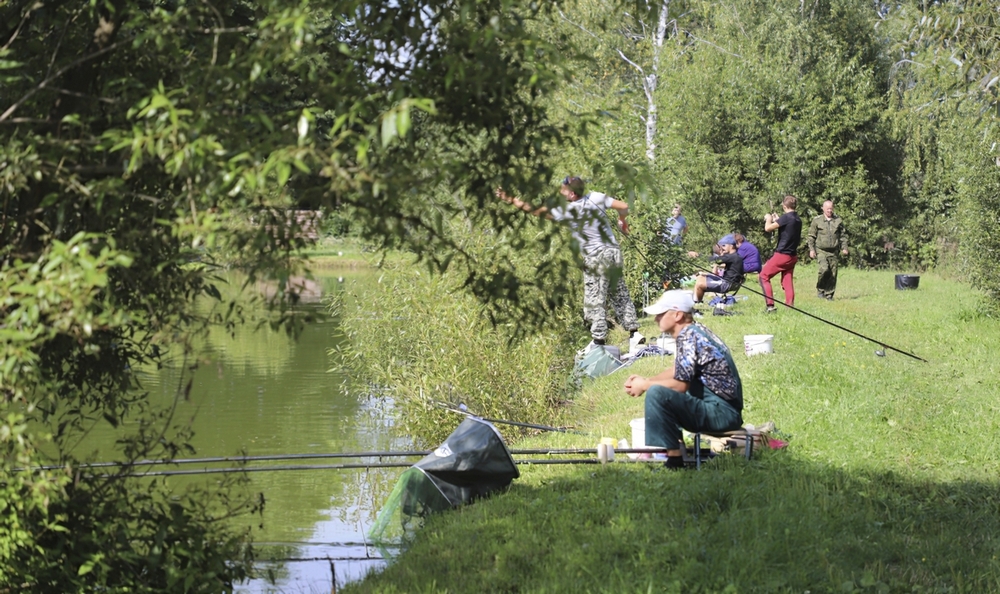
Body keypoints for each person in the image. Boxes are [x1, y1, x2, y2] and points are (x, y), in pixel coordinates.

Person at [497, 177, 640, 348]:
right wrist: (622, 220)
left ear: (572, 194)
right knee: (619, 292)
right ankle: (635, 334)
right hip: (613, 252)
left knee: (595, 299)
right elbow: (623, 207)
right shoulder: (596, 197)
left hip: (596, 257)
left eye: (563, 190)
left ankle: (599, 342)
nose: (559, 192)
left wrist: (511, 199)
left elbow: (535, 211)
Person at [624, 290, 744, 469]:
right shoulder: (696, 331)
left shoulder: (688, 336)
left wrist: (646, 385)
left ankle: (674, 460)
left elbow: (680, 385)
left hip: (721, 412)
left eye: (661, 314)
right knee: (656, 389)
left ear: (677, 315)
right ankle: (675, 451)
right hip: (725, 411)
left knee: (657, 393)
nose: (656, 318)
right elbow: (678, 370)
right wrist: (646, 380)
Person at [760, 195, 802, 313]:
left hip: (782, 255)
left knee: (763, 276)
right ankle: (790, 307)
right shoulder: (797, 219)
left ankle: (770, 306)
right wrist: (778, 219)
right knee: (787, 280)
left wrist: (768, 218)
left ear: (784, 206)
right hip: (792, 256)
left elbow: (768, 228)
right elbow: (787, 227)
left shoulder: (786, 218)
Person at [807, 200, 849, 300]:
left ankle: (829, 294)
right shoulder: (817, 221)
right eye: (827, 209)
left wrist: (844, 248)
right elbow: (811, 236)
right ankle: (820, 289)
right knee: (824, 269)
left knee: (833, 273)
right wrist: (811, 250)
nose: (829, 210)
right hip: (821, 250)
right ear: (823, 209)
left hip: (834, 251)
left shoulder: (838, 220)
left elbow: (843, 236)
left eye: (831, 208)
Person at [688, 235, 744, 303]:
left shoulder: (732, 257)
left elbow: (714, 260)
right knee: (700, 277)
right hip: (729, 283)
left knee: (700, 283)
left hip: (727, 284)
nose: (722, 248)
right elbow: (719, 260)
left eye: (724, 245)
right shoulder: (735, 256)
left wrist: (697, 255)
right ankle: (696, 301)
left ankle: (697, 303)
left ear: (731, 246)